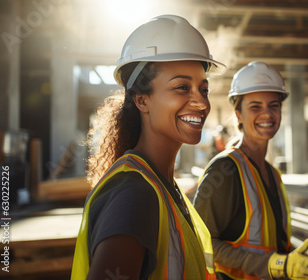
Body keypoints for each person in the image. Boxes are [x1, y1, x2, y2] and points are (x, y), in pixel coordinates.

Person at [71, 15, 226, 280]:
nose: (201, 103)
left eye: (203, 89)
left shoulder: (162, 186)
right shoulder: (135, 195)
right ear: (142, 101)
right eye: (181, 87)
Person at [193, 62, 308, 280]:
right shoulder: (225, 171)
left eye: (274, 105)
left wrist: (289, 260)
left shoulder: (273, 175)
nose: (267, 114)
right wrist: (276, 264)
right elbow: (202, 243)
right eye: (255, 107)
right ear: (238, 114)